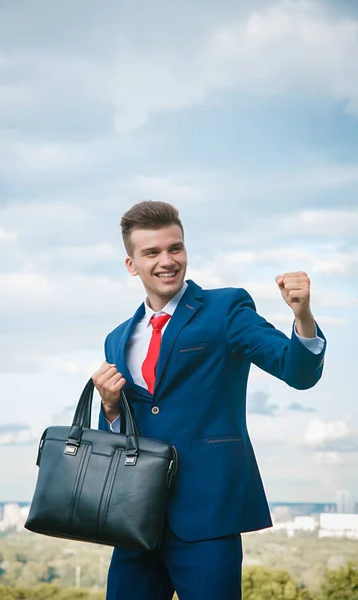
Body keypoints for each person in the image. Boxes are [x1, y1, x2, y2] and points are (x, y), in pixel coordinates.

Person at [92, 201, 326, 600]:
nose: (167, 261)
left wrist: (302, 315)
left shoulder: (225, 309)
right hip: (134, 521)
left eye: (175, 248)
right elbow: (118, 437)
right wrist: (110, 408)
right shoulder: (117, 338)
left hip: (207, 515)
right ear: (131, 265)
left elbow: (298, 372)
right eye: (152, 252)